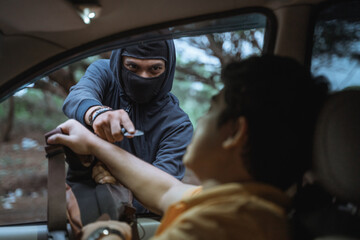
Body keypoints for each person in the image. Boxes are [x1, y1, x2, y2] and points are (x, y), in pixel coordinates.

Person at [48, 55, 329, 240]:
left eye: (211, 109)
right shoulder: (238, 205)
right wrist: (94, 144)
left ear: (235, 133)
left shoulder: (217, 227)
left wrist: (105, 233)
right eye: (133, 66)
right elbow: (166, 189)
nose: (198, 119)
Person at [62, 40, 193, 212]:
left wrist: (116, 182)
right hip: (81, 209)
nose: (143, 77)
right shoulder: (105, 73)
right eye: (133, 66)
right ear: (120, 62)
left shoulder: (178, 125)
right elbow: (77, 96)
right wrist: (97, 114)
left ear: (167, 70)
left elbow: (161, 191)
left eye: (154, 69)